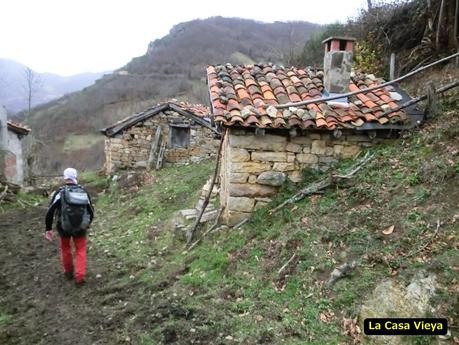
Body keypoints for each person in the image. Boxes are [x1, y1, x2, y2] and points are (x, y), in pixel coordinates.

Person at [45, 168, 94, 285]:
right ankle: (80, 276)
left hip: (64, 226)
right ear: (75, 177)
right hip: (80, 227)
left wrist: (48, 229)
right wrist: (87, 224)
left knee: (66, 248)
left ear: (65, 177)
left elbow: (50, 211)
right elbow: (91, 211)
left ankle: (68, 273)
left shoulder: (60, 192)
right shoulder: (83, 192)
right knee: (80, 250)